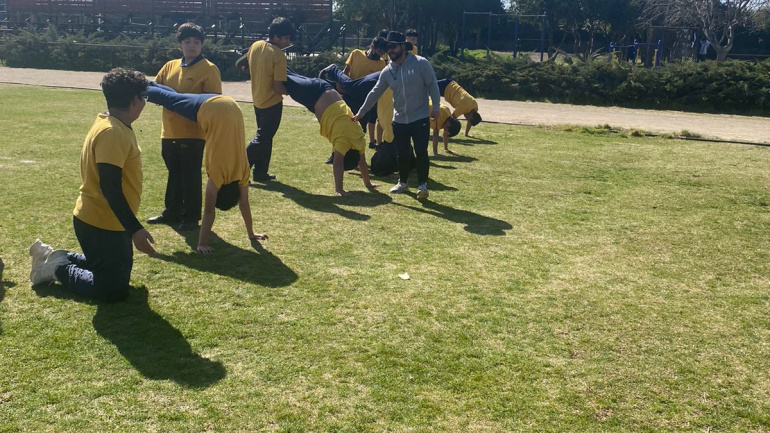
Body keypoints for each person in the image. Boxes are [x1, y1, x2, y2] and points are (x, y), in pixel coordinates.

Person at [29, 68, 155, 302]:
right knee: (113, 290)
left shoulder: (112, 122)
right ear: (135, 100)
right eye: (143, 97)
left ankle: (57, 256)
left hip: (106, 220)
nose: (144, 103)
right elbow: (110, 186)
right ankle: (55, 268)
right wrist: (135, 229)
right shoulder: (112, 132)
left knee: (118, 273)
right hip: (100, 221)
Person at [144, 81, 268, 254]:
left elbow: (244, 204)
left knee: (175, 99)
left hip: (230, 106)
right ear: (220, 192)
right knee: (171, 102)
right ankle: (134, 85)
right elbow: (209, 211)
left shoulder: (243, 173)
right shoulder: (217, 177)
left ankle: (147, 83)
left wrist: (251, 233)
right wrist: (201, 244)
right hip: (211, 109)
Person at [148, 23, 222, 232]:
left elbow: (213, 102)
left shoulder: (209, 68)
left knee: (190, 176)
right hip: (169, 131)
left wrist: (182, 104)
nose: (192, 46)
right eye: (187, 42)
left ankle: (190, 218)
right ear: (180, 45)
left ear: (201, 45)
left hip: (193, 133)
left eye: (196, 43)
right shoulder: (169, 66)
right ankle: (171, 212)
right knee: (174, 173)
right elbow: (154, 90)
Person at [353, 31, 440, 200]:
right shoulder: (387, 70)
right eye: (387, 47)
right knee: (402, 152)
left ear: (403, 47)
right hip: (399, 119)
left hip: (420, 116)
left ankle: (422, 185)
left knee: (421, 151)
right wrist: (361, 112)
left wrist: (435, 107)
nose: (389, 50)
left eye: (393, 46)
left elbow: (433, 85)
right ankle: (403, 183)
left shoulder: (421, 63)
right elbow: (375, 92)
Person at [284, 69, 378, 196]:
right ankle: (260, 63)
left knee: (287, 74)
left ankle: (272, 59)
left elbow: (362, 163)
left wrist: (368, 184)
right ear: (346, 154)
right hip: (314, 94)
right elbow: (338, 164)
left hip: (326, 89)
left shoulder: (359, 140)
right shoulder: (343, 142)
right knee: (282, 83)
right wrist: (339, 190)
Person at [246, 17, 293, 182]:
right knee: (263, 138)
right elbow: (278, 87)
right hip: (272, 103)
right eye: (285, 38)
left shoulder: (255, 45)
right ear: (276, 37)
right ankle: (240, 165)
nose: (288, 42)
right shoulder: (278, 55)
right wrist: (294, 91)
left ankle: (260, 173)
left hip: (257, 100)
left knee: (265, 138)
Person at [343, 37, 387, 149]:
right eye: (379, 52)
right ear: (372, 47)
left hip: (364, 101)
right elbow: (346, 71)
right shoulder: (356, 53)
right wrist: (342, 87)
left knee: (360, 130)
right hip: (349, 96)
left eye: (383, 53)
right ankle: (336, 154)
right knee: (343, 126)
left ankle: (357, 157)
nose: (381, 55)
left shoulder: (381, 64)